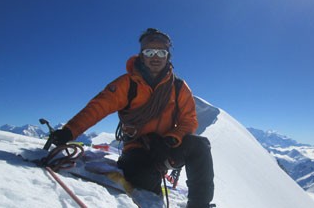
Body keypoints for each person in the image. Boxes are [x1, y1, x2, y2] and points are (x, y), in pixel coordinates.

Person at [51, 28, 214, 208]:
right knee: (145, 180)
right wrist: (69, 131)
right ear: (141, 54)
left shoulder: (179, 87)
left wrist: (170, 140)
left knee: (200, 145)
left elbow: (189, 120)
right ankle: (137, 169)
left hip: (166, 146)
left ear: (168, 56)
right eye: (149, 51)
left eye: (161, 52)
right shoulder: (127, 84)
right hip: (138, 146)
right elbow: (98, 107)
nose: (155, 57)